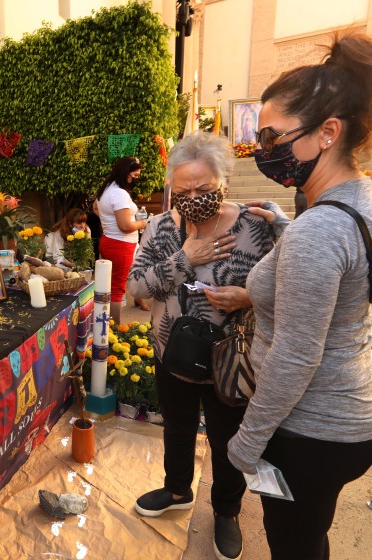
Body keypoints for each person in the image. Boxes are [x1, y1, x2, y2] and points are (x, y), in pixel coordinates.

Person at [228, 33, 372, 560]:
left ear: (327, 132)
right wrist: (284, 228)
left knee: (295, 545)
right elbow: (335, 268)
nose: (262, 150)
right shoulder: (360, 197)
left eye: (272, 137)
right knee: (310, 533)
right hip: (354, 413)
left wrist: (248, 441)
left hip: (311, 428)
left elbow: (296, 355)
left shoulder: (318, 231)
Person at [127, 132, 289, 560]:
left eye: (203, 189)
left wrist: (248, 297)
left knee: (227, 439)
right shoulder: (161, 227)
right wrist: (186, 259)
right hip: (171, 354)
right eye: (183, 191)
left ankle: (226, 511)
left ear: (225, 181)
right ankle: (177, 488)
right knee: (177, 427)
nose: (193, 197)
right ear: (171, 190)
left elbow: (287, 286)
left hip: (231, 360)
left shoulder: (254, 227)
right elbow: (134, 286)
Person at [94, 156, 147, 322]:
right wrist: (145, 222)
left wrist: (107, 221)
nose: (135, 180)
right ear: (126, 173)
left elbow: (96, 208)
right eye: (135, 176)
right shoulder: (119, 193)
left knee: (111, 286)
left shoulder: (107, 188)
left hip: (109, 240)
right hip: (121, 245)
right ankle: (114, 329)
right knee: (117, 289)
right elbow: (125, 226)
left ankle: (107, 325)